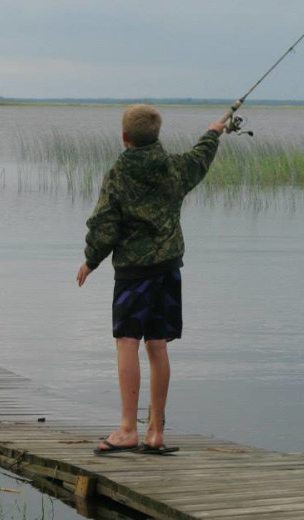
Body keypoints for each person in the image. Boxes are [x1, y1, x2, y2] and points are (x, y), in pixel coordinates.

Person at [76, 104, 224, 455]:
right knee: (157, 345)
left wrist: (91, 260)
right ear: (157, 134)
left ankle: (128, 429)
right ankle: (156, 431)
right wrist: (214, 132)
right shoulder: (174, 168)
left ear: (125, 137)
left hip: (134, 273)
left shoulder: (119, 173)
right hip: (168, 267)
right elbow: (200, 157)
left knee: (127, 341)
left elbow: (105, 224)